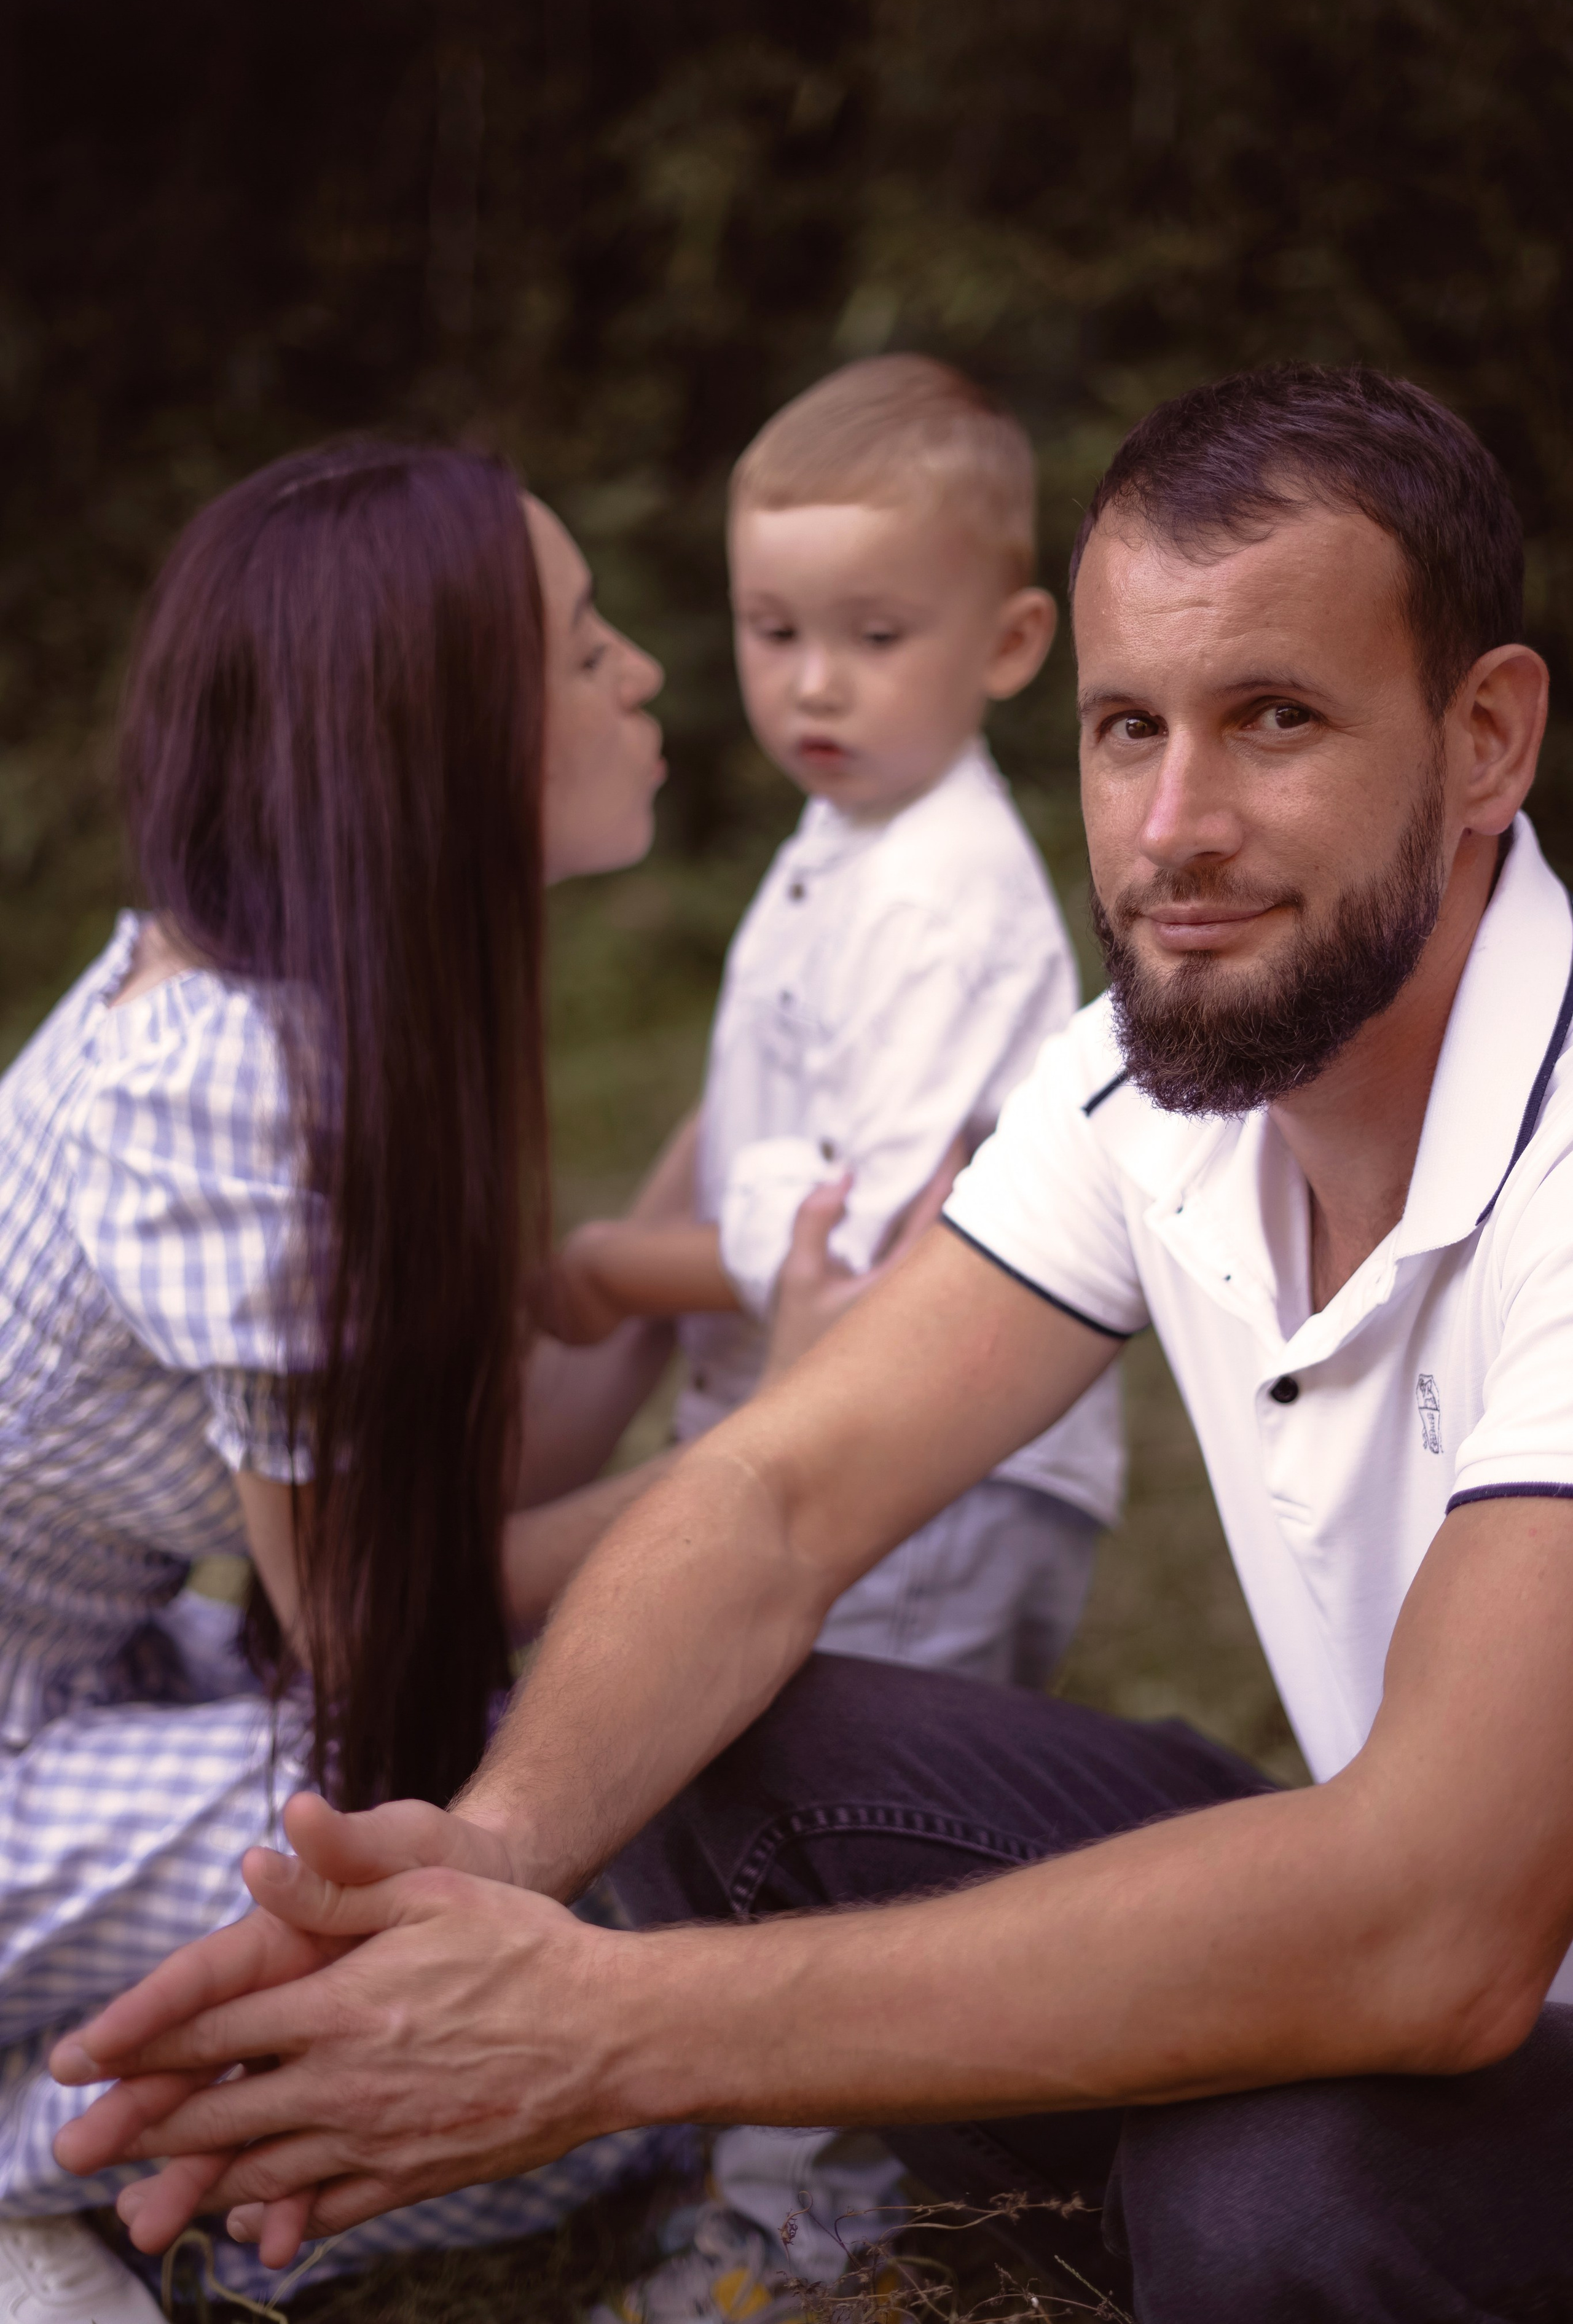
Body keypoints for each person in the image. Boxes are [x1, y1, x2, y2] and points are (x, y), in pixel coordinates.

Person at [55, 363, 1573, 2321]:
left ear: (1483, 740)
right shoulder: (1151, 1079)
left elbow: (1438, 1924)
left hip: (1471, 1934)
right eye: (1127, 731)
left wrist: (599, 2030)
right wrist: (502, 1859)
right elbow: (774, 1491)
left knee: (1271, 2183)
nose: (1177, 829)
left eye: (1274, 718)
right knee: (713, 1730)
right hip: (1419, 1915)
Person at [0, 442, 688, 2320]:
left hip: (84, 1683)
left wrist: (714, 1185)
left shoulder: (263, 1009)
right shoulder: (218, 1091)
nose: (637, 674)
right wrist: (786, 1460)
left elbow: (437, 1514)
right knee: (562, 1929)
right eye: (580, 645)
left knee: (586, 1824)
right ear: (431, 744)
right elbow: (385, 1626)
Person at [554, 356, 1124, 1692]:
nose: (813, 685)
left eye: (873, 638)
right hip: (849, 1430)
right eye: (772, 630)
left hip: (938, 1466)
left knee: (841, 1791)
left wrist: (609, 1270)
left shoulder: (935, 894)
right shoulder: (851, 833)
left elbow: (860, 1235)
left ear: (1008, 644)